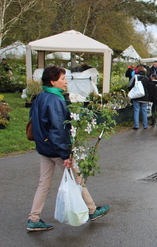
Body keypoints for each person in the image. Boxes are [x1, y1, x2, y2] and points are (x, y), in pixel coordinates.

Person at [27, 66, 110, 231]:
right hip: (56, 149)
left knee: (44, 184)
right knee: (77, 178)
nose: (65, 82)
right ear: (53, 81)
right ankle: (92, 210)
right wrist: (65, 154)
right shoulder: (55, 99)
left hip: (44, 147)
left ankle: (33, 218)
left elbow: (34, 120)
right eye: (62, 79)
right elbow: (58, 129)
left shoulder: (41, 97)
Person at [129, 65, 150, 129]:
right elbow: (149, 88)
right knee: (144, 111)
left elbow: (130, 86)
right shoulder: (146, 79)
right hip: (144, 97)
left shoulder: (135, 78)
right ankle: (145, 125)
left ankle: (136, 125)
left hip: (136, 97)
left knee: (136, 111)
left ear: (137, 71)